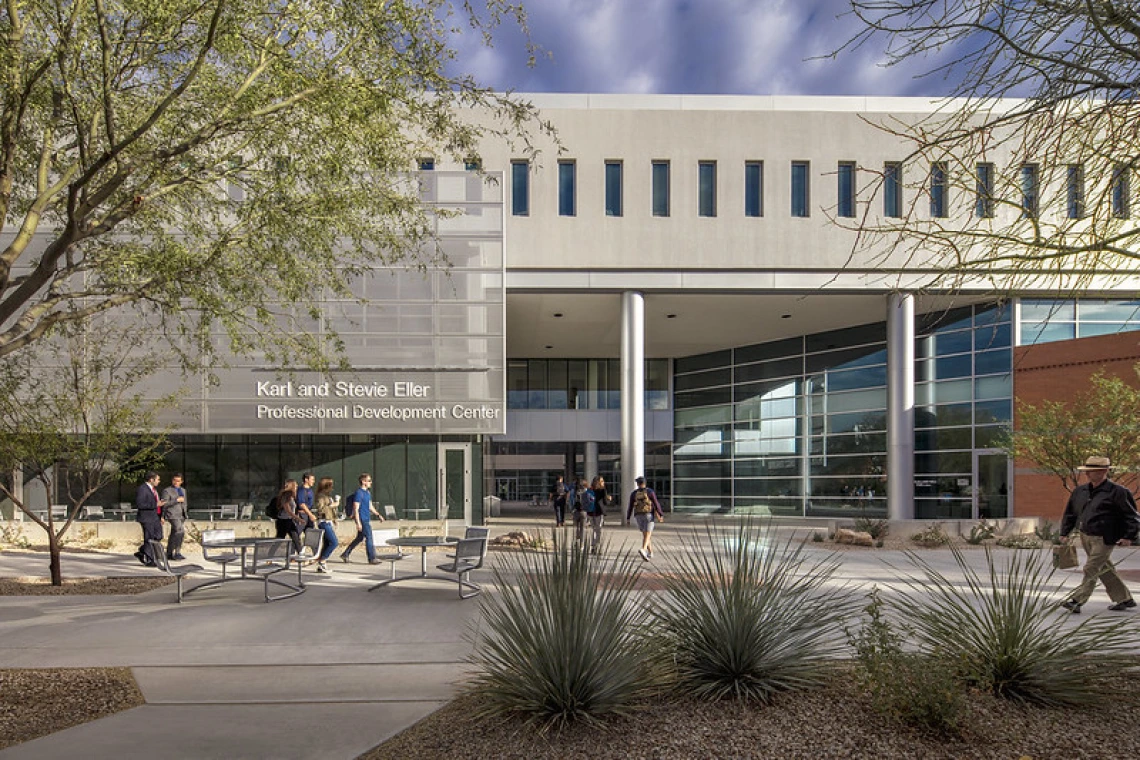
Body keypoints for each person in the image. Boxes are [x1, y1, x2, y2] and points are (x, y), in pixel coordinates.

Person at [1058, 455, 1140, 613]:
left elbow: (1132, 516)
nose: (1087, 474)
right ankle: (1124, 599)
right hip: (1086, 535)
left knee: (1091, 567)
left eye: (1092, 471)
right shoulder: (1080, 491)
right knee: (1104, 568)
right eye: (1086, 471)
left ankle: (1077, 600)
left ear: (1104, 471)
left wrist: (1129, 536)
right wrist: (1064, 532)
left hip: (1105, 538)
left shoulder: (1118, 492)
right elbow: (1070, 513)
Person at [340, 473, 385, 564]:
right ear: (363, 481)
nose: (371, 482)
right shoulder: (359, 493)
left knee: (359, 538)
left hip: (366, 518)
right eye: (369, 481)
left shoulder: (367, 493)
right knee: (369, 537)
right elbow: (356, 509)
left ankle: (345, 554)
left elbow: (370, 506)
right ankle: (372, 558)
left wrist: (378, 515)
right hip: (362, 519)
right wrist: (358, 523)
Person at [626, 475, 664, 562]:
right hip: (648, 515)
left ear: (638, 484)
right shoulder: (650, 492)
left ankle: (650, 552)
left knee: (646, 535)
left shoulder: (634, 493)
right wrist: (660, 514)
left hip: (638, 515)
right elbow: (656, 503)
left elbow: (630, 506)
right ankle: (643, 549)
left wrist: (628, 517)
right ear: (645, 483)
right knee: (648, 534)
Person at [133, 471, 163, 566]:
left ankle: (143, 551)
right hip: (146, 517)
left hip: (155, 517)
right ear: (151, 479)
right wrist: (155, 504)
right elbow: (140, 504)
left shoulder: (153, 490)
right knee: (149, 538)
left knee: (158, 536)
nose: (159, 481)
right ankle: (150, 559)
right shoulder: (142, 489)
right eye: (157, 479)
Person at [313, 477, 340, 573]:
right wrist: (334, 504)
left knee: (327, 543)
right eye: (331, 485)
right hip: (323, 521)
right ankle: (322, 560)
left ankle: (322, 564)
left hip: (328, 520)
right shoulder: (321, 496)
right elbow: (321, 509)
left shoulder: (327, 496)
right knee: (334, 542)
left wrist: (334, 519)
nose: (332, 487)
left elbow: (331, 510)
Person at [160, 473, 188, 561]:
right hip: (172, 514)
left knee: (174, 533)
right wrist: (176, 500)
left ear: (181, 482)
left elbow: (185, 503)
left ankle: (169, 552)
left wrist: (185, 513)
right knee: (180, 531)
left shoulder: (183, 490)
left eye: (178, 481)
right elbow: (164, 504)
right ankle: (177, 552)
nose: (176, 482)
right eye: (174, 480)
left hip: (181, 515)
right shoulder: (167, 491)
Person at [273, 478, 304, 552]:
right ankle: (270, 554)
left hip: (288, 520)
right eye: (295, 485)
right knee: (280, 539)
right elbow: (288, 510)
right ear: (292, 486)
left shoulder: (291, 496)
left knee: (295, 538)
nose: (297, 486)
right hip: (284, 521)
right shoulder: (286, 495)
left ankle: (300, 553)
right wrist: (298, 519)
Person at [587, 475, 610, 554]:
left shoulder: (589, 490)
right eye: (602, 481)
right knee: (598, 530)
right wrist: (609, 499)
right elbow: (605, 502)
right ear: (598, 482)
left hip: (590, 512)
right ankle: (597, 546)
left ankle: (593, 547)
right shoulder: (602, 490)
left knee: (594, 529)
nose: (603, 482)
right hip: (598, 512)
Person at [573, 477, 594, 547]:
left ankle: (576, 541)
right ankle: (581, 545)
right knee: (582, 529)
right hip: (584, 512)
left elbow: (571, 501)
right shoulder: (587, 492)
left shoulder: (574, 491)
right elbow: (592, 500)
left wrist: (572, 509)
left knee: (576, 528)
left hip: (576, 511)